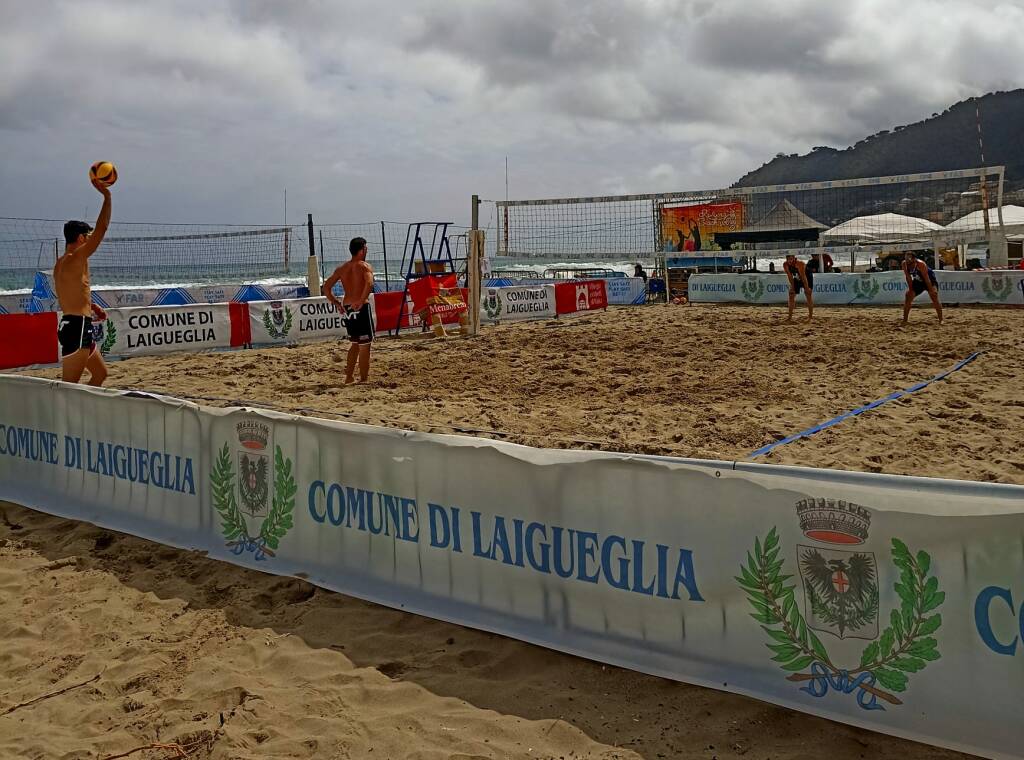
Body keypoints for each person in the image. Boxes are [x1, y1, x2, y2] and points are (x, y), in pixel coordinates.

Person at [54, 178, 111, 386]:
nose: (89, 239)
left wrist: (91, 305)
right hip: (76, 327)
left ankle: (82, 415)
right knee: (69, 388)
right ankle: (62, 418)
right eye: (87, 236)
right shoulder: (77, 257)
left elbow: (70, 291)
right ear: (79, 238)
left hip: (76, 324)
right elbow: (102, 228)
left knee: (100, 374)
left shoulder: (61, 263)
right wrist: (107, 197)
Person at [322, 237, 376, 383]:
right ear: (361, 250)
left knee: (355, 344)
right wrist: (360, 300)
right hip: (360, 307)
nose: (367, 250)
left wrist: (336, 303)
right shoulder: (364, 266)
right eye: (365, 248)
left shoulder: (342, 268)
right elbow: (369, 283)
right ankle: (363, 379)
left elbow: (326, 287)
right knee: (365, 345)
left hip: (347, 308)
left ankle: (349, 377)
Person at [901, 251, 942, 325]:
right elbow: (908, 278)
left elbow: (927, 279)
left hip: (930, 280)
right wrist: (911, 289)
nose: (908, 263)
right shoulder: (904, 264)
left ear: (914, 259)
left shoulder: (920, 264)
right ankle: (905, 320)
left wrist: (931, 290)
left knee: (934, 296)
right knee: (908, 296)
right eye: (906, 259)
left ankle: (941, 320)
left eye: (909, 261)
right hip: (919, 281)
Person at [782, 254, 813, 322]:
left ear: (794, 258)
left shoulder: (800, 264)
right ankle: (789, 317)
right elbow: (790, 277)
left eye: (791, 259)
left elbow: (804, 277)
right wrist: (792, 287)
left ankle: (810, 317)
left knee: (808, 295)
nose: (789, 261)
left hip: (807, 277)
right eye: (788, 259)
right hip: (797, 277)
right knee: (791, 295)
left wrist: (807, 288)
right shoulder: (785, 265)